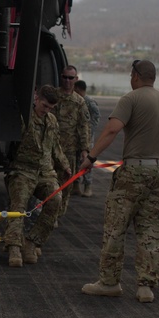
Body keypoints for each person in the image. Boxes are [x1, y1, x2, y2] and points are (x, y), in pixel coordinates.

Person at [78, 59, 159, 303]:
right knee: (152, 230)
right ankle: (146, 286)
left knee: (116, 226)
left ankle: (109, 282)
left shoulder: (130, 99)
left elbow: (113, 129)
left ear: (135, 76)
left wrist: (91, 157)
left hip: (134, 171)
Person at [4, 85, 71, 267]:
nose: (46, 110)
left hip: (45, 172)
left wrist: (65, 165)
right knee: (18, 206)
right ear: (36, 98)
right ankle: (14, 247)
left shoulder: (52, 121)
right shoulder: (22, 118)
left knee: (55, 200)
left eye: (50, 108)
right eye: (44, 105)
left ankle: (32, 241)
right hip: (23, 170)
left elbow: (55, 147)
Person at [53, 64, 91, 214]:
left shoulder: (79, 102)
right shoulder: (53, 97)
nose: (67, 81)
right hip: (51, 148)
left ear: (76, 79)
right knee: (49, 182)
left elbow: (84, 126)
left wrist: (84, 150)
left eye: (71, 78)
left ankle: (59, 213)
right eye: (65, 77)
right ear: (61, 77)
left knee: (66, 184)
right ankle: (49, 213)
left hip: (69, 150)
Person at [75, 79, 100, 197]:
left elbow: (96, 116)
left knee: (87, 160)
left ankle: (87, 185)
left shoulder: (89, 102)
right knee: (76, 160)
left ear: (79, 89)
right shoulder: (78, 101)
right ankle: (75, 185)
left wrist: (90, 131)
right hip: (77, 135)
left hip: (87, 135)